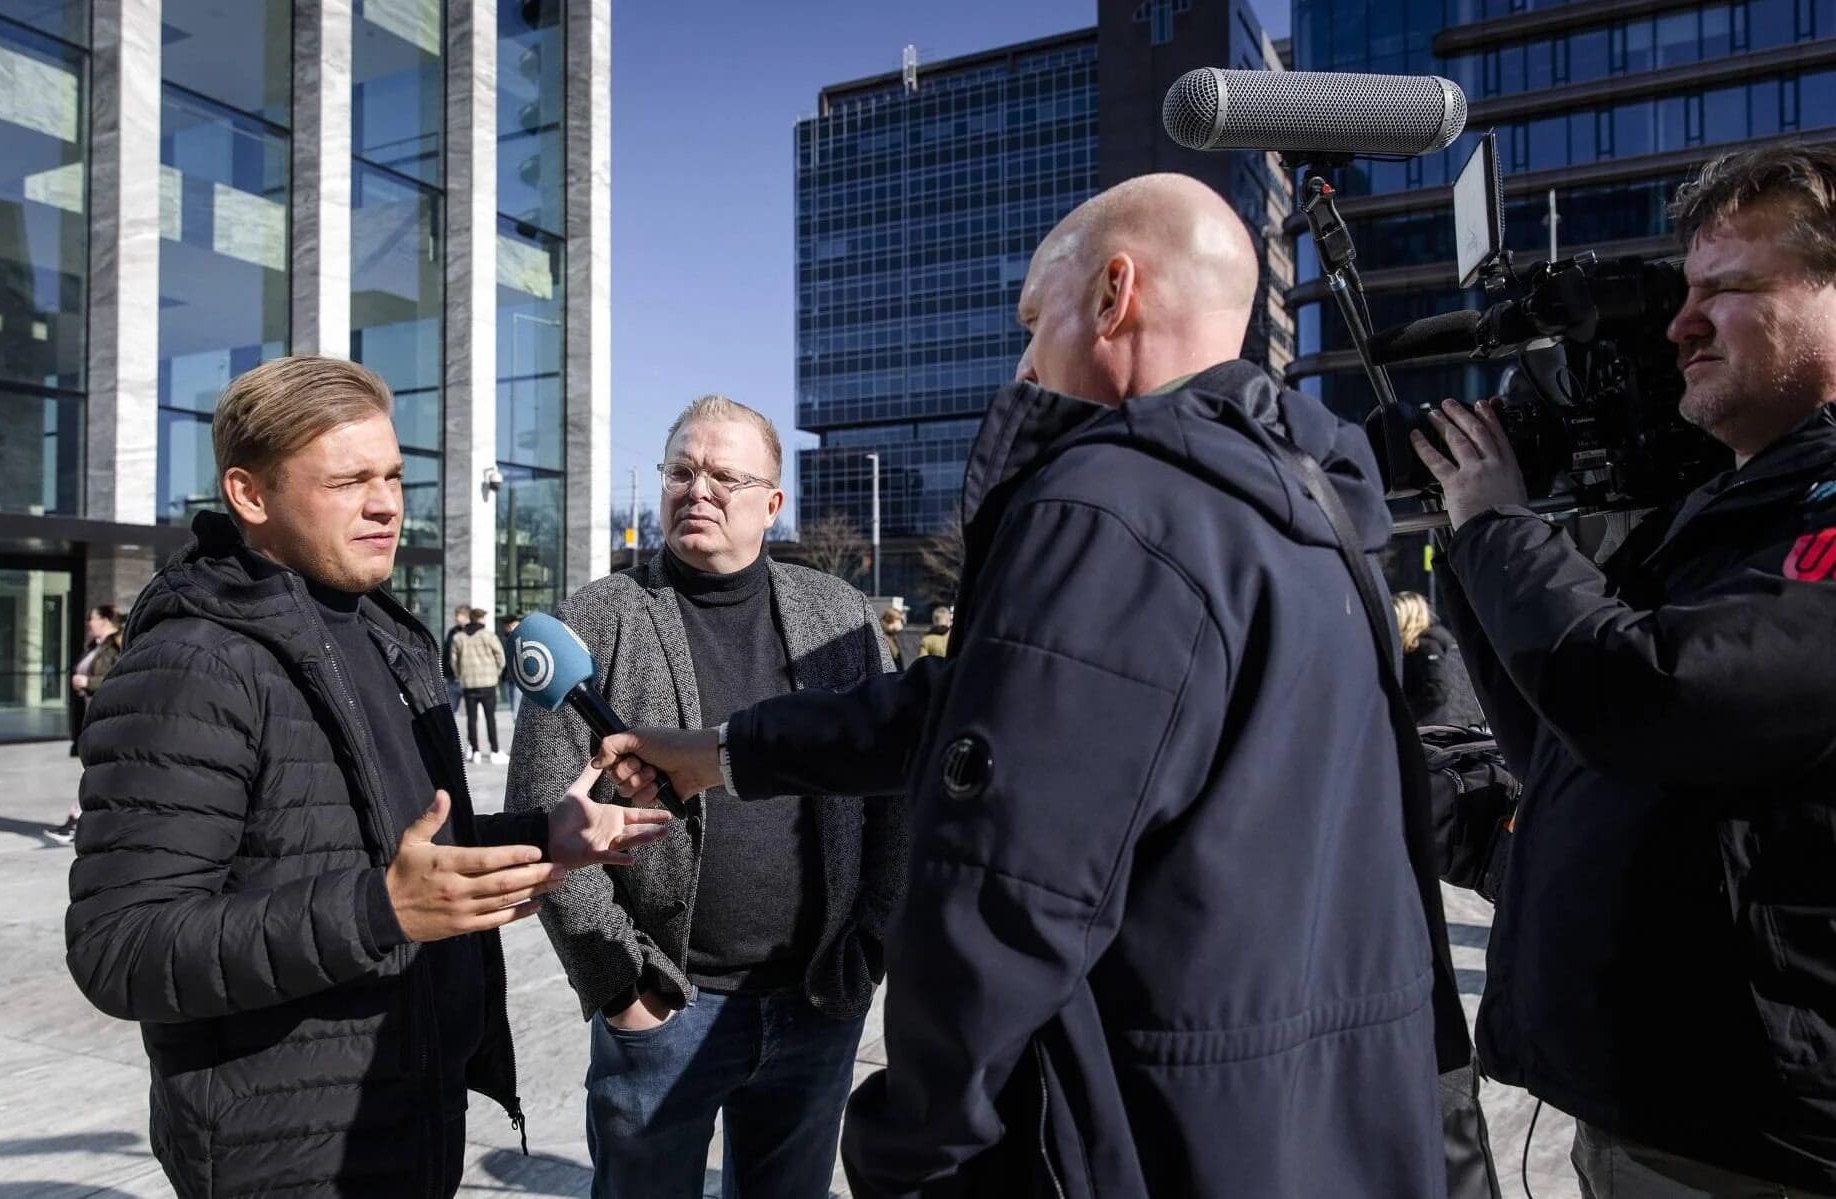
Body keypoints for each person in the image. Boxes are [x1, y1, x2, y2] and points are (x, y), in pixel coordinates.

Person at [596, 175, 1448, 1196]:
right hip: (1315, 1119)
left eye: (1035, 318)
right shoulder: (1311, 512)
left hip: (1132, 1128)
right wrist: (724, 752)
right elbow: (973, 703)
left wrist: (911, 1143)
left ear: (1111, 293)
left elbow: (1007, 898)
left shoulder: (1109, 508)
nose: (1024, 358)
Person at [65, 355, 671, 1199]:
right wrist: (380, 912)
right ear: (250, 495)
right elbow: (119, 948)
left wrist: (543, 836)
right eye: (349, 480)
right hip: (282, 1154)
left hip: (412, 1114)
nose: (386, 503)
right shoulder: (191, 665)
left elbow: (389, 851)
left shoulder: (392, 639)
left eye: (391, 474)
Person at [1409, 142, 1836, 1196]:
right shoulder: (1724, 509)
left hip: (1755, 1135)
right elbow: (1567, 737)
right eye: (1683, 294)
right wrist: (1471, 539)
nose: (1682, 325)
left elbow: (1657, 696)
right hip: (1653, 1109)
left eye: (1727, 289)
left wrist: (1501, 526)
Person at [503, 394, 906, 1199]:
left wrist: (870, 942)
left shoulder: (842, 617)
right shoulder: (599, 618)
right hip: (664, 1007)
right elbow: (546, 814)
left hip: (818, 1001)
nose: (699, 490)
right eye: (682, 470)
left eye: (726, 475)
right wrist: (622, 982)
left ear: (772, 502)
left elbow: (893, 796)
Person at [47, 605, 123, 844]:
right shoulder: (95, 646)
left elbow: (119, 676)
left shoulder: (116, 646)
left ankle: (75, 822)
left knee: (91, 771)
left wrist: (87, 681)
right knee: (99, 773)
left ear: (105, 620)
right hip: (92, 715)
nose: (89, 623)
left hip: (108, 717)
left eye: (92, 618)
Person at [1393, 590, 1484, 728]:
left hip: (1429, 726)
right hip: (1445, 722)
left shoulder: (1425, 646)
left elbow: (1436, 690)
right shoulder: (1432, 643)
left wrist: (1406, 715)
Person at [450, 606, 508, 764]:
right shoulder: (488, 636)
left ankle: (475, 751)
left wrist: (459, 675)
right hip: (488, 682)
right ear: (480, 619)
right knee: (490, 718)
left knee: (472, 718)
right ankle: (494, 751)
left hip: (468, 683)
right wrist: (496, 672)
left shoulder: (459, 637)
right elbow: (500, 656)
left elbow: (454, 661)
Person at [443, 602, 471, 712]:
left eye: (457, 615)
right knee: (450, 711)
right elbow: (446, 652)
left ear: (465, 616)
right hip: (452, 677)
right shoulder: (452, 631)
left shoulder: (472, 632)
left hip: (468, 677)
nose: (455, 618)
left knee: (471, 712)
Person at [498, 612, 523, 712]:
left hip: (519, 677)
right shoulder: (503, 639)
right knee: (513, 704)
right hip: (508, 677)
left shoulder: (522, 636)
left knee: (516, 706)